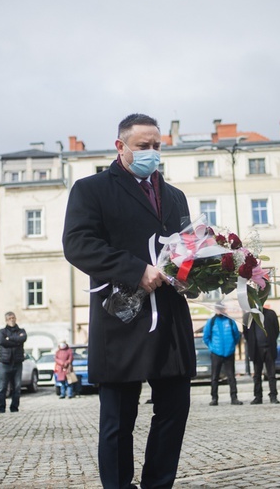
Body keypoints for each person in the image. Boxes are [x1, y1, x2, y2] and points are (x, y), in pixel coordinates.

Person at [62, 113, 196, 489]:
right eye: (143, 146)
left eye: (157, 146)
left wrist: (195, 274)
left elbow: (184, 248)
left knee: (174, 410)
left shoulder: (174, 196)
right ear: (121, 147)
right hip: (121, 319)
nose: (152, 153)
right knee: (118, 419)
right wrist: (135, 269)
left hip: (168, 317)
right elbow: (78, 245)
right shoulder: (91, 190)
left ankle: (158, 484)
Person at [203, 303, 243, 406]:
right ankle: (214, 398)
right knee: (214, 377)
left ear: (224, 309)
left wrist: (232, 346)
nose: (219, 311)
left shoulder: (230, 321)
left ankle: (234, 398)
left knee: (231, 377)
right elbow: (206, 337)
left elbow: (236, 335)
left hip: (229, 352)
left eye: (221, 309)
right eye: (218, 309)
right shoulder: (211, 321)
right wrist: (212, 347)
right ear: (215, 309)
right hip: (216, 353)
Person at [243, 306, 280, 405]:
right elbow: (246, 333)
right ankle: (258, 397)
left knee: (271, 374)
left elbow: (276, 330)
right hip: (256, 349)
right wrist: (252, 343)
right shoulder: (248, 316)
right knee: (257, 375)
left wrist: (271, 341)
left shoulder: (271, 314)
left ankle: (273, 395)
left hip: (269, 348)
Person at [0, 311, 27, 413]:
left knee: (17, 387)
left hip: (17, 363)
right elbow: (2, 341)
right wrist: (16, 342)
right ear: (6, 320)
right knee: (2, 387)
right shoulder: (2, 332)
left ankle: (14, 407)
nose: (12, 320)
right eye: (9, 318)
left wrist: (10, 339)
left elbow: (23, 338)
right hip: (5, 363)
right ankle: (1, 408)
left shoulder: (21, 330)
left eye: (13, 318)